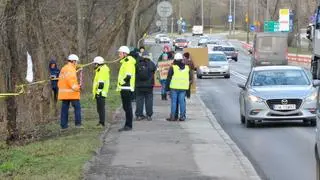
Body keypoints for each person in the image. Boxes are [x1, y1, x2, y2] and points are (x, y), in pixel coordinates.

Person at [166, 53, 193, 121]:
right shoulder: (187, 67)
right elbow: (190, 78)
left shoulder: (173, 67)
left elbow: (168, 78)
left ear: (174, 59)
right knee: (182, 102)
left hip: (174, 88)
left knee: (174, 102)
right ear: (181, 59)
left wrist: (167, 89)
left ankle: (173, 117)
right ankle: (182, 116)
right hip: (183, 88)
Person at [58, 54, 82, 130]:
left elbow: (60, 81)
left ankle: (63, 125)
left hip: (64, 93)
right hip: (72, 93)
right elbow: (71, 81)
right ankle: (78, 124)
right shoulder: (71, 69)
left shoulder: (63, 68)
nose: (77, 63)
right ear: (73, 61)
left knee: (64, 109)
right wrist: (77, 88)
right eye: (76, 62)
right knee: (77, 108)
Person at [117, 46, 136, 132]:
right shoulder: (125, 62)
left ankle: (128, 125)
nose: (119, 55)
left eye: (120, 53)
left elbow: (128, 76)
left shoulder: (128, 62)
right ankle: (127, 124)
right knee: (126, 107)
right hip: (124, 88)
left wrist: (121, 83)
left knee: (127, 107)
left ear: (125, 54)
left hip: (126, 88)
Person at [135, 51, 156, 121]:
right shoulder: (152, 64)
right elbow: (155, 71)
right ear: (148, 56)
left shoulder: (137, 63)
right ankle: (149, 115)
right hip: (149, 86)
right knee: (149, 100)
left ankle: (139, 115)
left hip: (139, 85)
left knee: (139, 100)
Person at [92, 56, 110, 127]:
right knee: (99, 108)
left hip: (101, 92)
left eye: (95, 63)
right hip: (100, 92)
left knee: (101, 108)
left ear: (98, 63)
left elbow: (101, 83)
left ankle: (102, 123)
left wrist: (98, 92)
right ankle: (100, 121)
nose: (94, 65)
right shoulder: (100, 69)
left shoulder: (102, 70)